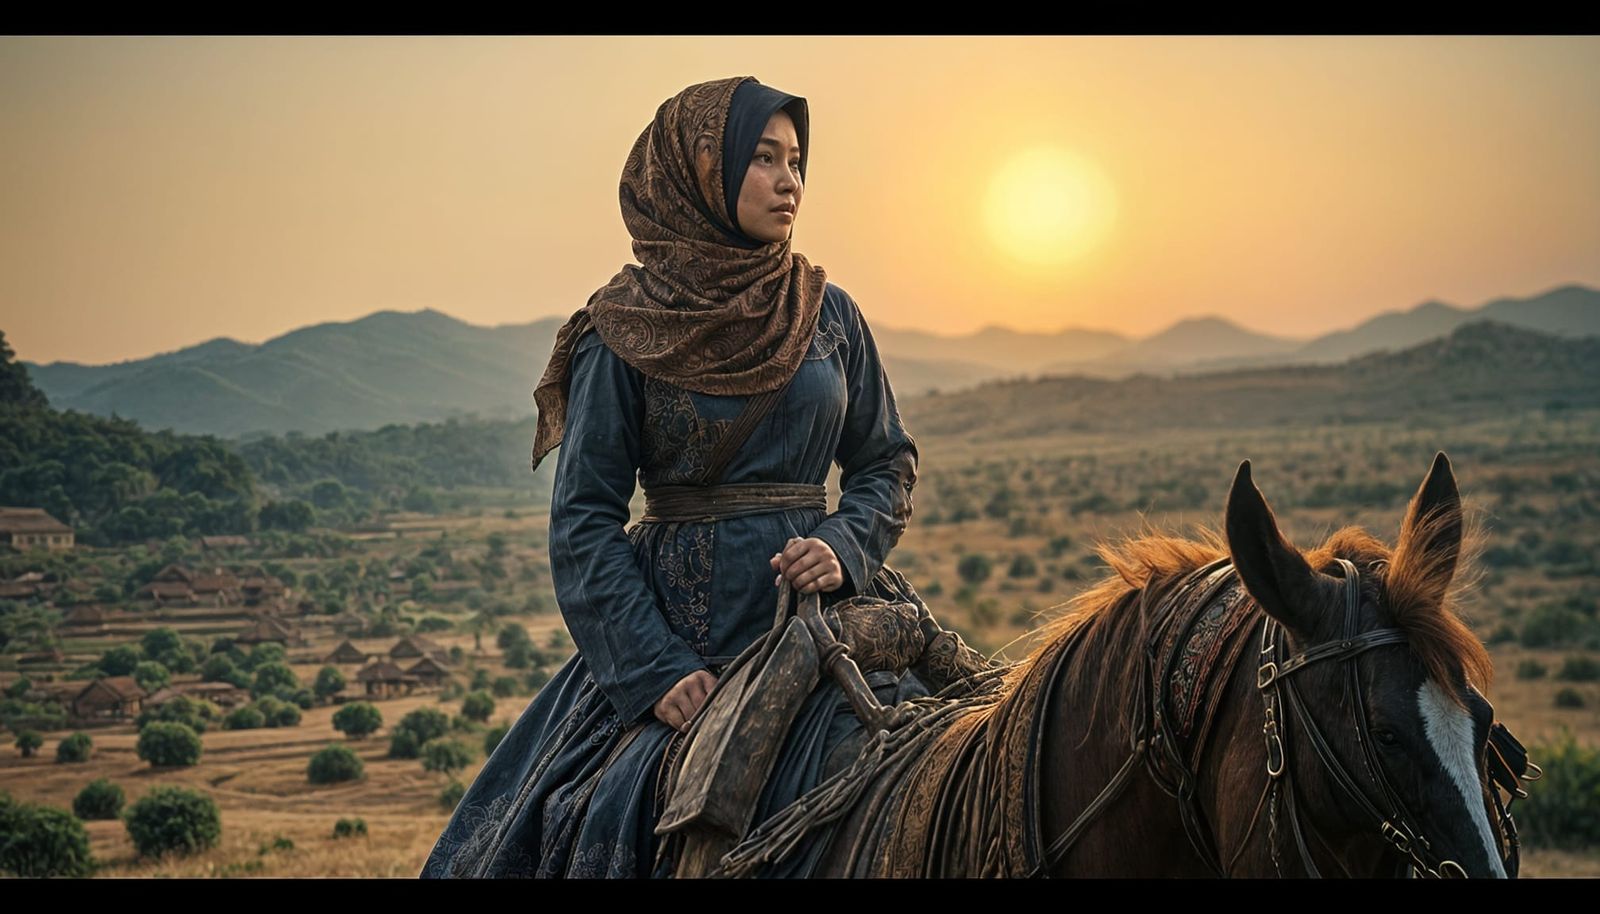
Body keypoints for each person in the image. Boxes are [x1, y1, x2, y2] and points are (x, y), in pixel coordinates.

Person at [419, 75, 933, 879]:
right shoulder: (620, 330)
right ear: (700, 171)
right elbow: (584, 518)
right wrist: (657, 671)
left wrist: (843, 543)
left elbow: (885, 460)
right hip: (682, 643)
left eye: (796, 160)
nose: (790, 180)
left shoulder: (829, 313)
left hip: (826, 623)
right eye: (763, 159)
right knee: (594, 822)